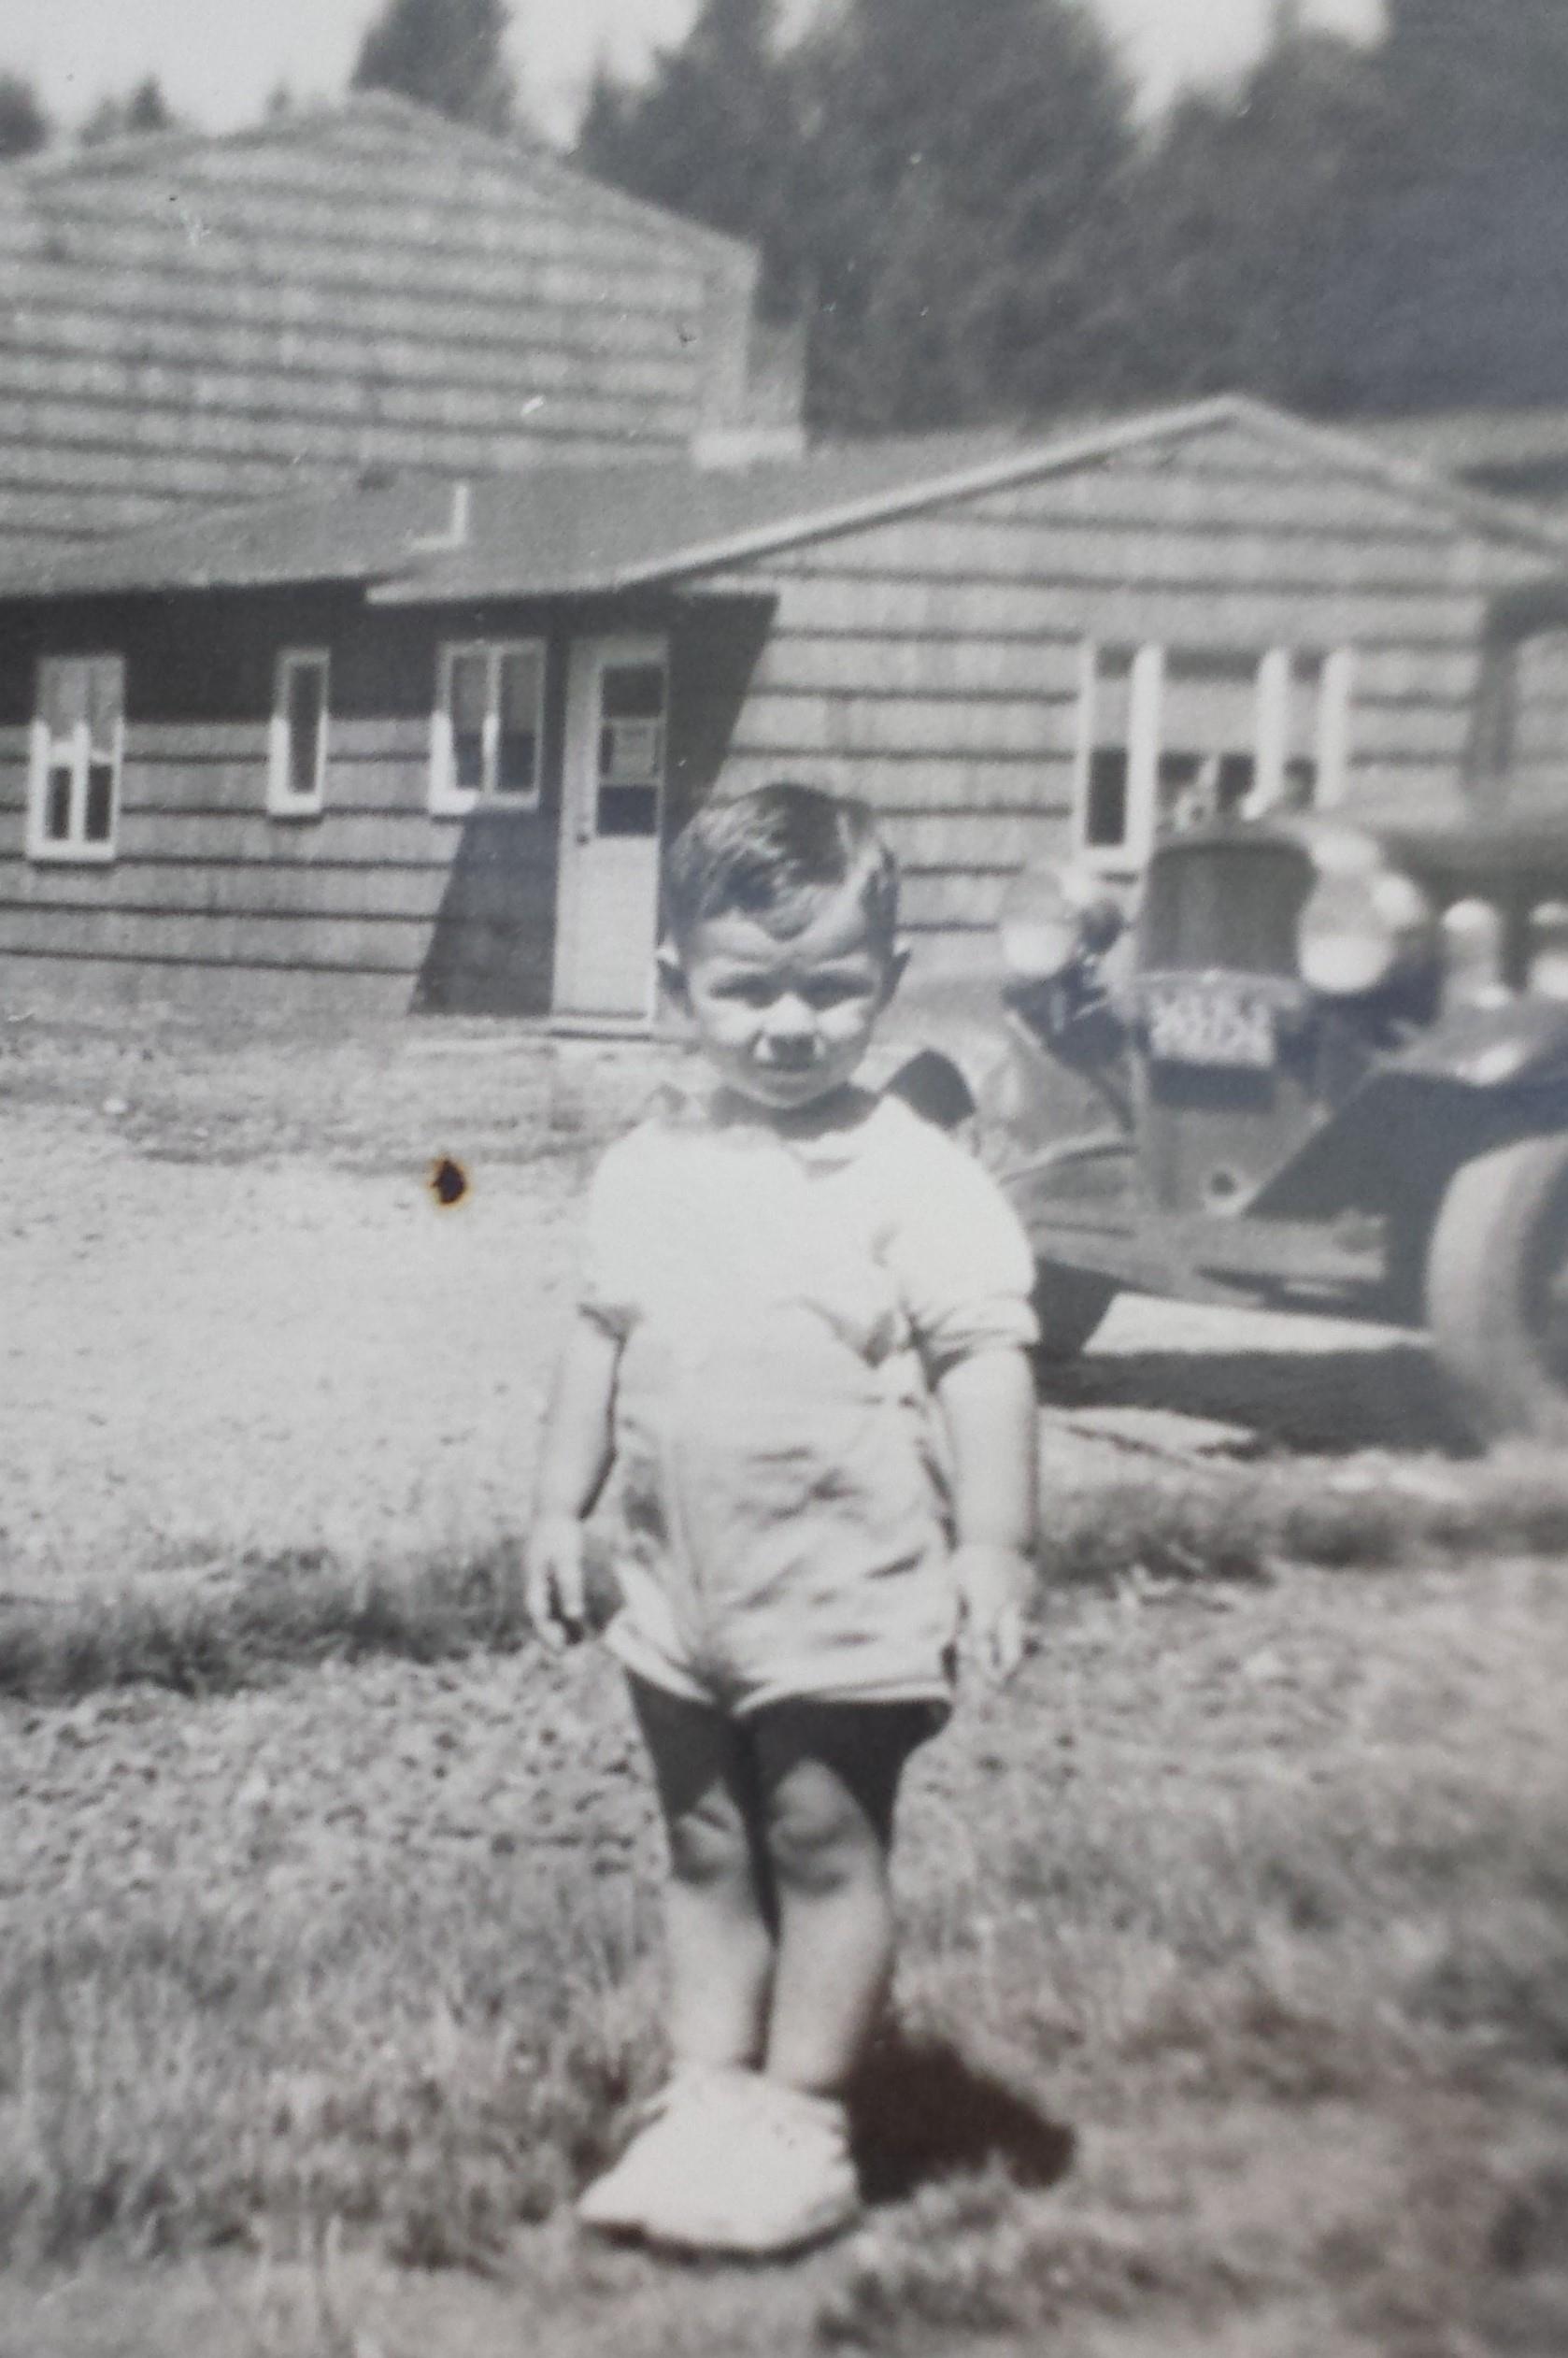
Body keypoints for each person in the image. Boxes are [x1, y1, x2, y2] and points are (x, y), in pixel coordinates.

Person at [525, 781, 1038, 2257]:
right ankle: (706, 2097)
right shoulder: (649, 1166)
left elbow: (981, 1359)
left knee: (818, 1836)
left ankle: (804, 2117)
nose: (790, 1023)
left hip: (844, 1580)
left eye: (828, 987)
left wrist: (994, 1542)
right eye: (749, 990)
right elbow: (596, 1339)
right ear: (678, 984)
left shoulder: (914, 1179)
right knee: (703, 1841)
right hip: (681, 1583)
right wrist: (558, 1507)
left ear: (882, 979)